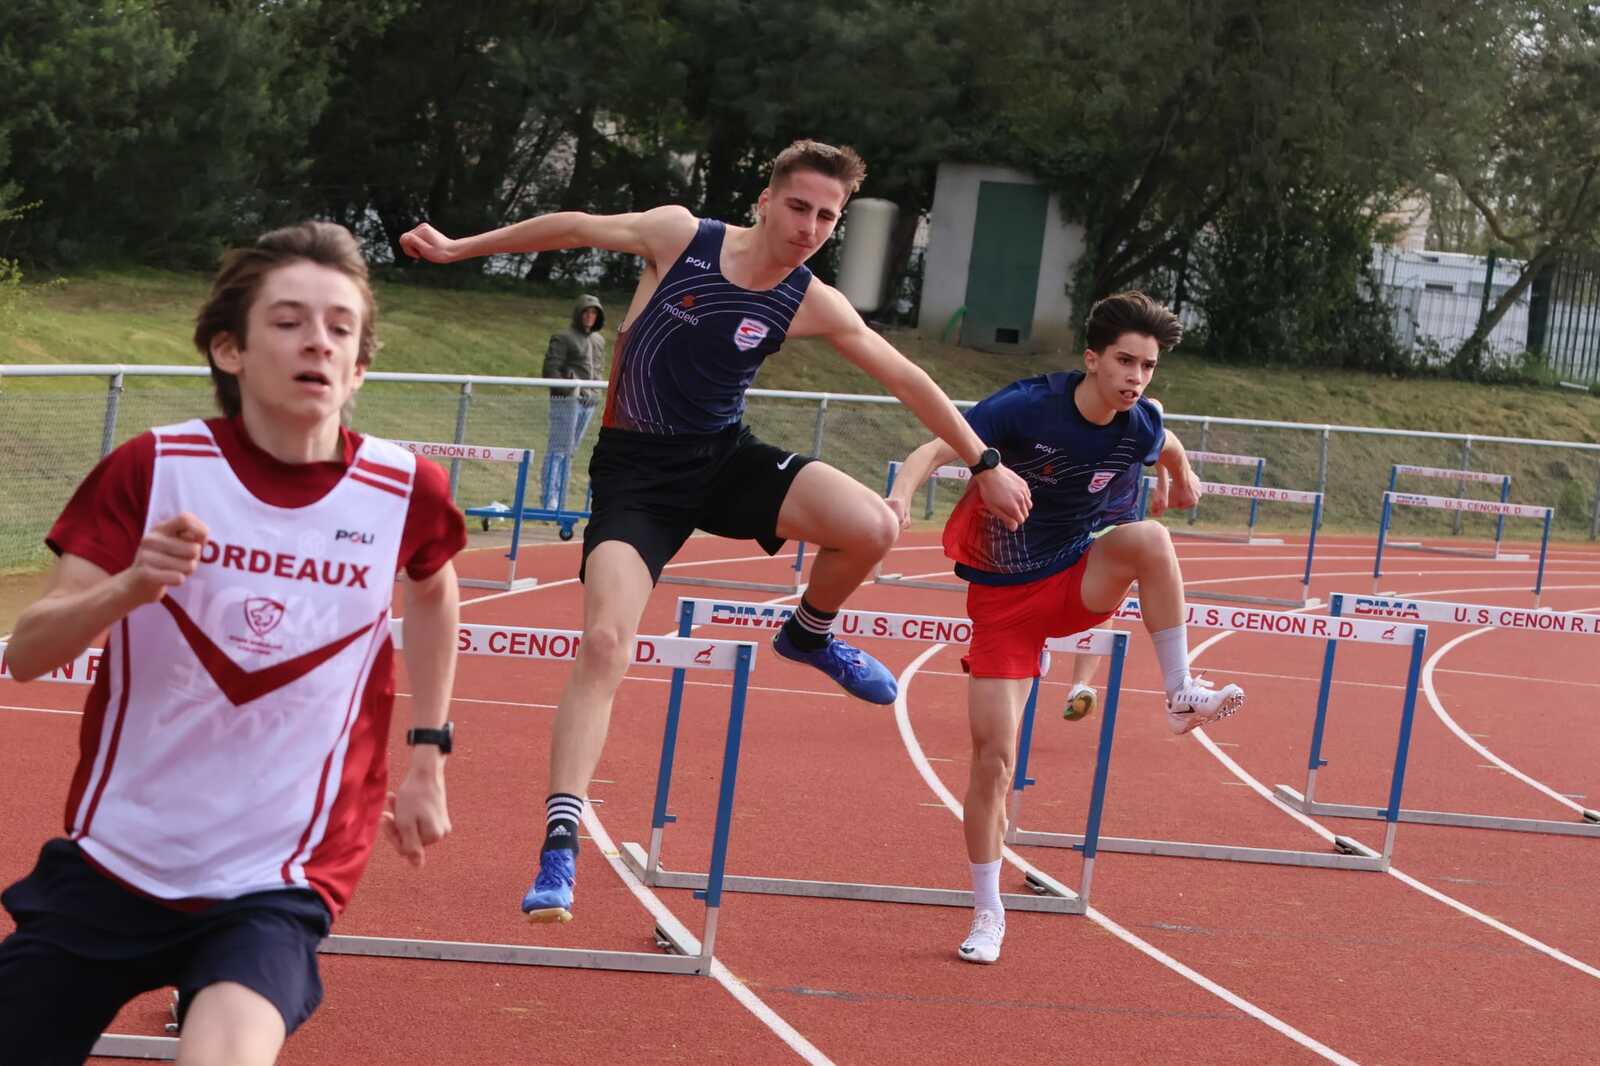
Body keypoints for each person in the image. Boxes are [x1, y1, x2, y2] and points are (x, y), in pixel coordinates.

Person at [399, 138, 1033, 924]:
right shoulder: (681, 237)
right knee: (605, 642)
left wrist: (983, 462)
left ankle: (809, 633)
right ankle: (560, 846)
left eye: (826, 217)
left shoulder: (811, 298)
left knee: (872, 524)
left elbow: (906, 376)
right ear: (765, 200)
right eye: (797, 207)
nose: (808, 227)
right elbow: (575, 225)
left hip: (725, 460)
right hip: (637, 478)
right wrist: (460, 246)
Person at [0, 221, 468, 1064]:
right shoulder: (155, 469)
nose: (318, 342)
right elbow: (27, 654)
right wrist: (128, 587)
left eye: (340, 328)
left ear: (360, 366)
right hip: (120, 856)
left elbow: (434, 589)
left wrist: (428, 753)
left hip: (282, 872)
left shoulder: (405, 492)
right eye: (288, 321)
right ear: (230, 350)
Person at [887, 290, 1245, 966]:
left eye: (1148, 366)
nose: (1136, 377)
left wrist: (1180, 473)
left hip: (1074, 581)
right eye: (1125, 361)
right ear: (1092, 359)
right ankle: (988, 912)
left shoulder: (1138, 422)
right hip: (1002, 603)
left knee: (1150, 540)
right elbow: (933, 448)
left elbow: (1164, 440)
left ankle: (1179, 692)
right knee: (993, 763)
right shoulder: (1028, 407)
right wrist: (899, 500)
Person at [540, 294, 606, 510]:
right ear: (579, 313)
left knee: (571, 451)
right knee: (559, 449)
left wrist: (595, 393)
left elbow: (598, 369)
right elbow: (550, 370)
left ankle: (561, 499)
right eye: (586, 312)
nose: (589, 316)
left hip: (589, 403)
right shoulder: (563, 337)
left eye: (594, 313)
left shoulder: (598, 340)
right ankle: (550, 499)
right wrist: (570, 391)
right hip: (567, 401)